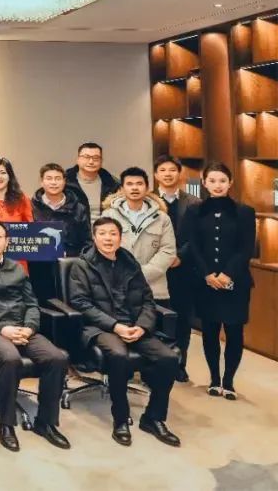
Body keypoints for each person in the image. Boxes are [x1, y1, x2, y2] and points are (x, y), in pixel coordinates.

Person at [0, 220, 70, 452]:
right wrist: (1, 328)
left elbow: (32, 304)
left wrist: (29, 327)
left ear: (7, 241)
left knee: (57, 358)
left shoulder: (17, 268)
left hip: (21, 327)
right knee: (10, 359)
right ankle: (6, 424)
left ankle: (45, 422)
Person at [68, 217, 181, 447]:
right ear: (94, 237)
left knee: (169, 358)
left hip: (134, 325)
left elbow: (148, 300)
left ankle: (153, 418)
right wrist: (115, 326)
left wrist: (143, 326)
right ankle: (120, 419)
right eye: (102, 233)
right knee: (119, 356)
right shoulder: (82, 266)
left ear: (121, 238)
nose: (108, 238)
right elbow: (81, 304)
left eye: (113, 234)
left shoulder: (130, 264)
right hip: (101, 328)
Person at [179, 162, 255, 400]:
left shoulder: (245, 212)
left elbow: (246, 248)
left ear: (230, 182)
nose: (217, 185)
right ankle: (214, 379)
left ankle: (229, 381)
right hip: (206, 282)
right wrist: (207, 274)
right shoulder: (195, 211)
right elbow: (193, 246)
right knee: (210, 331)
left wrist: (227, 274)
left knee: (234, 331)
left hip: (236, 282)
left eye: (222, 180)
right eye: (212, 181)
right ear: (204, 183)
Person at [153, 155, 201, 382]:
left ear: (179, 173)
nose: (168, 174)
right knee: (154, 316)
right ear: (156, 174)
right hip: (154, 269)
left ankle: (179, 364)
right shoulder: (149, 201)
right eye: (163, 170)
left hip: (183, 269)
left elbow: (197, 236)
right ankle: (153, 364)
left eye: (172, 170)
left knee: (182, 319)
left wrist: (180, 256)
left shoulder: (194, 202)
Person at [100, 167, 176, 304]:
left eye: (139, 184)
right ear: (122, 189)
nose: (134, 188)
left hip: (154, 289)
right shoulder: (109, 215)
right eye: (129, 184)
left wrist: (141, 274)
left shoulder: (162, 218)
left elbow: (168, 251)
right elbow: (102, 248)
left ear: (147, 188)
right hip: (118, 287)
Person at [30, 163, 91, 302]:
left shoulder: (79, 208)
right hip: (40, 270)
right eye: (49, 178)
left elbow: (87, 241)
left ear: (64, 181)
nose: (53, 182)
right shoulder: (30, 207)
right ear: (41, 182)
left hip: (71, 269)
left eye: (57, 178)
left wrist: (75, 258)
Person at [65, 142, 121, 224]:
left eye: (96, 158)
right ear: (78, 159)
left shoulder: (113, 184)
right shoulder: (64, 183)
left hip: (104, 230)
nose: (91, 162)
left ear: (101, 161)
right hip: (74, 230)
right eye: (86, 157)